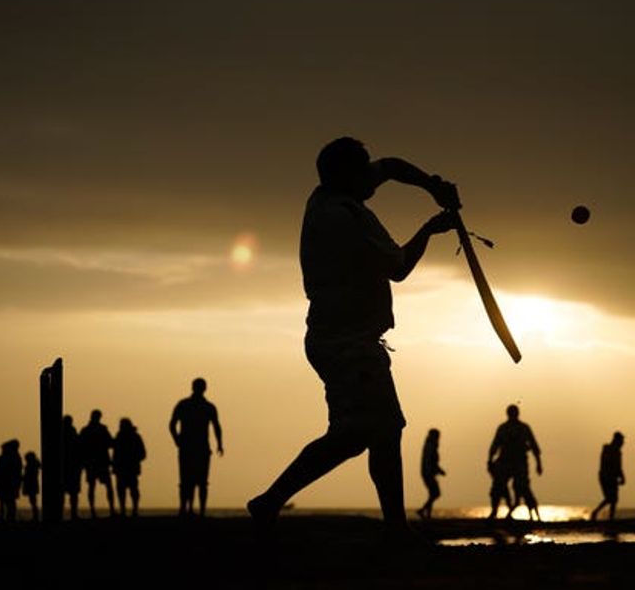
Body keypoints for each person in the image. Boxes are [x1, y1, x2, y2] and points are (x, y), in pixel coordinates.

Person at [247, 137, 460, 540]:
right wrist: (430, 230)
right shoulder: (342, 217)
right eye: (363, 171)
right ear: (347, 176)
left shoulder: (329, 195)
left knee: (374, 431)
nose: (372, 178)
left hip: (345, 341)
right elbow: (398, 267)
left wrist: (433, 184)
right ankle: (274, 502)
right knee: (364, 431)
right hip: (345, 344)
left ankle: (387, 525)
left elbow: (393, 166)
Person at [169, 378, 223, 517]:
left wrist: (220, 444)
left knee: (196, 481)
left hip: (197, 448)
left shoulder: (201, 406)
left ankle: (193, 510)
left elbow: (216, 426)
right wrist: (177, 440)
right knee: (190, 481)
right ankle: (188, 509)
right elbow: (172, 424)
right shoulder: (193, 405)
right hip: (191, 448)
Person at [487, 405, 543, 521]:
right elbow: (495, 445)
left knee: (522, 488)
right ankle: (495, 511)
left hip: (519, 462)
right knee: (498, 487)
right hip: (505, 461)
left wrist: (539, 463)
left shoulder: (524, 428)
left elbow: (534, 446)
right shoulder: (503, 428)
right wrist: (490, 460)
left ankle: (532, 515)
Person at [79, 410, 115, 518]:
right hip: (99, 462)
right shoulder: (101, 430)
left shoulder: (86, 430)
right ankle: (109, 510)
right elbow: (111, 443)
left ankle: (94, 510)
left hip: (94, 462)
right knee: (103, 487)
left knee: (93, 487)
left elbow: (81, 447)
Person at [113, 417, 147, 517]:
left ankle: (132, 510)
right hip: (125, 468)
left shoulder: (132, 437)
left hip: (128, 468)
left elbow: (142, 453)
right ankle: (128, 510)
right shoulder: (130, 436)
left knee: (130, 490)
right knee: (125, 490)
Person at [590, 431, 626, 522]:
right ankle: (597, 513)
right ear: (616, 440)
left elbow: (618, 466)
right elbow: (613, 465)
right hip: (606, 476)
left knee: (613, 499)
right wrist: (620, 476)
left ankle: (610, 517)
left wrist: (621, 476)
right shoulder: (609, 450)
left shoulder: (616, 451)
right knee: (611, 498)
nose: (622, 443)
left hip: (610, 476)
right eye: (621, 441)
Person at [416, 429, 445, 520]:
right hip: (428, 473)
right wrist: (435, 470)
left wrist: (438, 470)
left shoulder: (431, 445)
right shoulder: (430, 446)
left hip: (428, 472)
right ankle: (422, 510)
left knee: (432, 493)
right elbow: (429, 460)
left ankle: (427, 514)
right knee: (436, 493)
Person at [0, 439, 22, 522]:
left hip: (6, 483)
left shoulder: (5, 458)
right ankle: (8, 517)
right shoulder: (16, 458)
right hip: (9, 483)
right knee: (9, 501)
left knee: (5, 501)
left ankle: (6, 517)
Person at [61, 414, 82, 519]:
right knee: (72, 493)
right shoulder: (73, 435)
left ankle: (68, 513)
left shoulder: (60, 435)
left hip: (68, 467)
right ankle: (73, 514)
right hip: (72, 467)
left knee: (67, 493)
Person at [22, 451, 41, 522]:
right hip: (33, 484)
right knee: (33, 501)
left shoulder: (31, 466)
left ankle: (35, 517)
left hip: (31, 484)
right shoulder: (34, 465)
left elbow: (28, 476)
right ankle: (35, 516)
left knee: (33, 501)